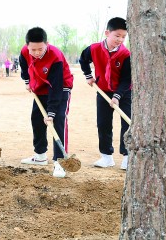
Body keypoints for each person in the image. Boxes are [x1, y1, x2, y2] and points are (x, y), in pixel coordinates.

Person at [19, 27, 73, 178]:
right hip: (40, 87)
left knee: (58, 120)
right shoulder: (25, 51)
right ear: (27, 45)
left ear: (47, 44)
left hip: (61, 87)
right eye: (33, 49)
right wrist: (27, 80)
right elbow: (23, 64)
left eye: (40, 49)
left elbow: (56, 86)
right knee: (36, 119)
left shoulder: (55, 56)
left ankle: (60, 161)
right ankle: (40, 155)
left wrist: (51, 112)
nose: (36, 52)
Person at [79, 17, 131, 170]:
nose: (120, 39)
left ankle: (127, 157)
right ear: (107, 33)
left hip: (124, 92)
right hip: (102, 91)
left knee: (127, 123)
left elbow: (127, 79)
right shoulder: (94, 48)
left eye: (123, 36)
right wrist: (89, 76)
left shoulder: (126, 54)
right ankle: (106, 157)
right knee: (103, 124)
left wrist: (117, 96)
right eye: (117, 35)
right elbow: (83, 59)